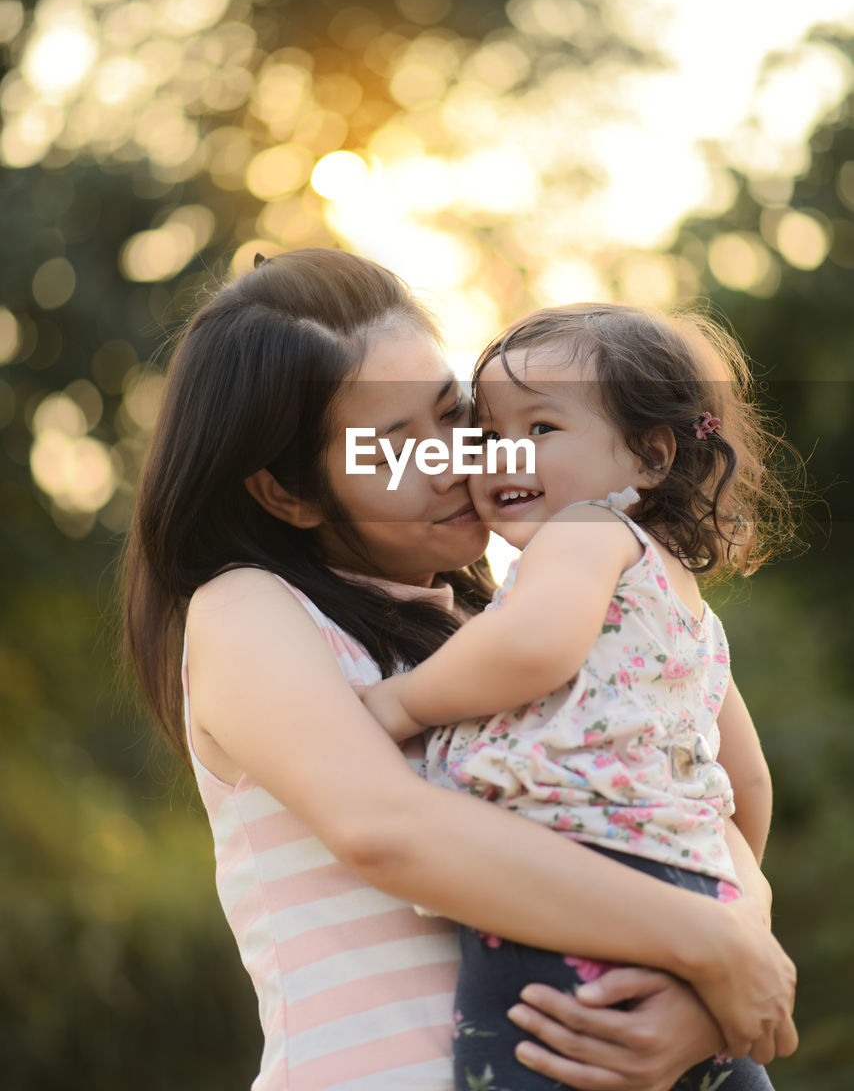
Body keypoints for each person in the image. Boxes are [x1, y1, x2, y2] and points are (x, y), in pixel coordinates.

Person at [122, 251, 797, 1091]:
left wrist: (713, 991)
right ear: (287, 494)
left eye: (454, 415)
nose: (460, 458)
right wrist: (711, 941)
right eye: (396, 444)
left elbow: (709, 811)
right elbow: (386, 830)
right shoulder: (249, 610)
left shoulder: (532, 621)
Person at [360, 302, 798, 1090]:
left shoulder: (587, 532)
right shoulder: (686, 612)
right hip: (687, 918)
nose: (502, 460)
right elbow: (751, 783)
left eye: (541, 431)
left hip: (571, 899)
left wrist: (399, 705)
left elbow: (534, 646)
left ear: (649, 457)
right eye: (488, 437)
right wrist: (718, 897)